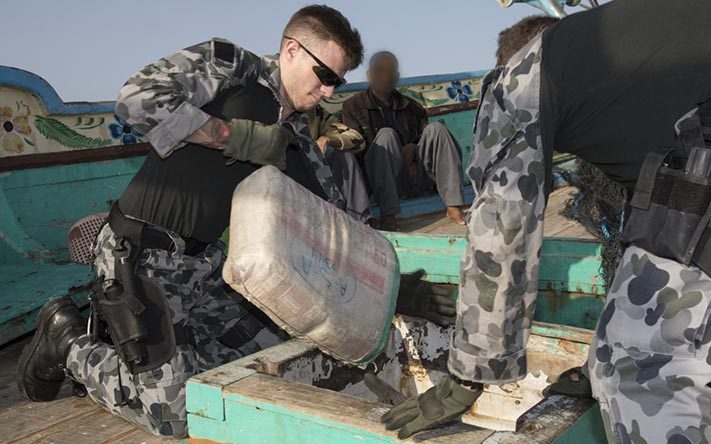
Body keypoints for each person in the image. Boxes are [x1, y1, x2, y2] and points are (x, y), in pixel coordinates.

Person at [381, 2, 711, 443]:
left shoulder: (521, 76)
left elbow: (502, 224)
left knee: (642, 365)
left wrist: (472, 371)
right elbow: (657, 238)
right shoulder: (642, 59)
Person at [16, 5, 365, 438]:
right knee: (177, 416)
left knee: (282, 361)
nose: (328, 92)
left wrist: (392, 286)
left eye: (339, 82)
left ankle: (152, 352)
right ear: (292, 50)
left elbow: (336, 219)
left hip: (207, 267)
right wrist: (232, 136)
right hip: (142, 255)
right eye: (325, 75)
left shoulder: (292, 134)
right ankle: (67, 340)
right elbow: (136, 97)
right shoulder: (233, 67)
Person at [342, 51, 467, 231]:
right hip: (382, 183)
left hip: (416, 176)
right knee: (386, 135)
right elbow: (356, 151)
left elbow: (428, 143)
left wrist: (413, 148)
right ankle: (389, 214)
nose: (386, 76)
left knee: (437, 129)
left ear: (397, 76)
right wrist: (396, 152)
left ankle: (453, 205)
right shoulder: (353, 106)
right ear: (369, 75)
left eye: (391, 71)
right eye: (380, 71)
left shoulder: (412, 106)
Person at [308, 104, 373, 222]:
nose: (326, 92)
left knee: (343, 154)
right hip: (282, 177)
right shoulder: (269, 109)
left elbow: (356, 138)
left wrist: (329, 140)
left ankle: (360, 222)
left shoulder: (313, 111)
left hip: (316, 170)